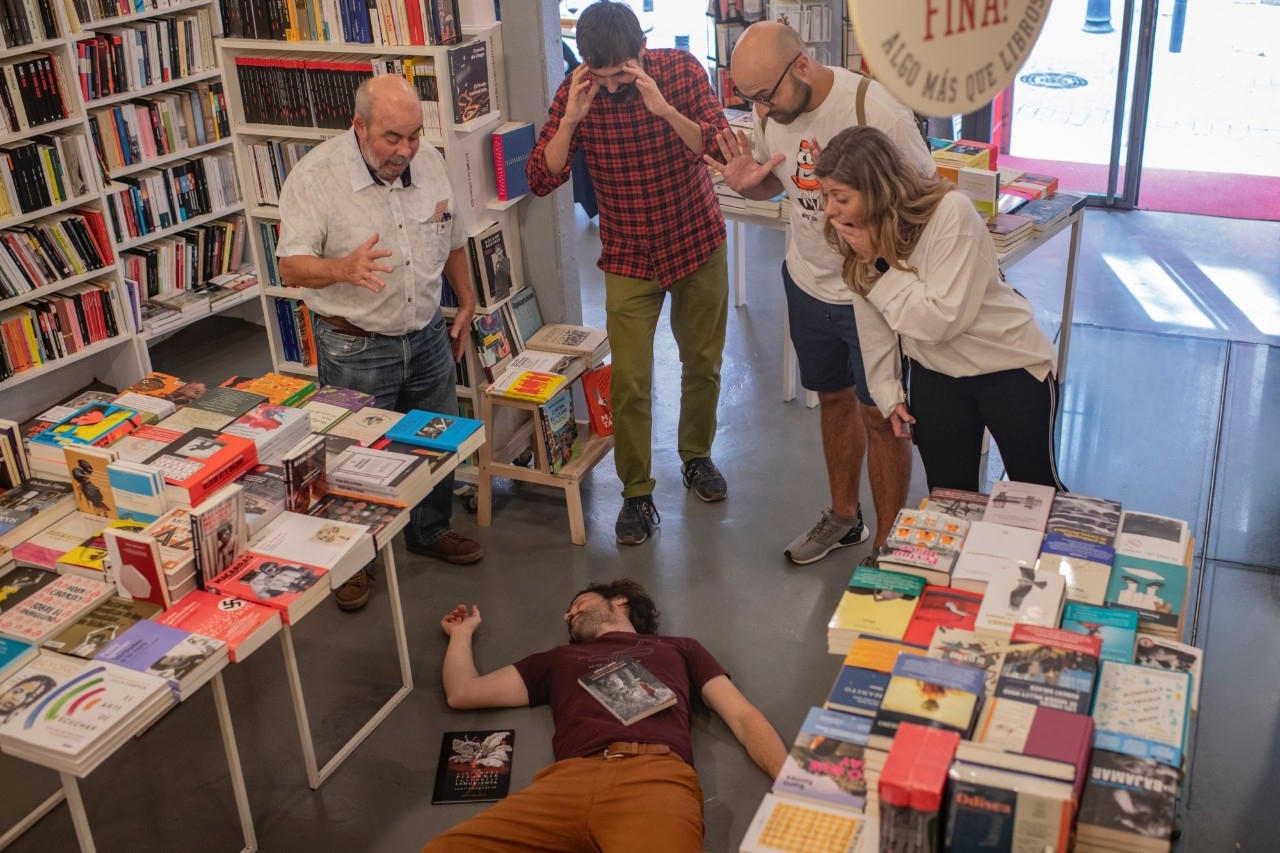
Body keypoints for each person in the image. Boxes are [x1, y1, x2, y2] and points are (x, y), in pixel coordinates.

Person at [711, 21, 935, 566]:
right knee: (831, 399)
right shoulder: (775, 114)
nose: (760, 111)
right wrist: (752, 184)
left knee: (882, 415)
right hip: (808, 281)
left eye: (765, 96)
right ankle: (844, 518)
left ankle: (887, 546)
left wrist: (876, 243)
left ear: (803, 66)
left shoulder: (875, 114)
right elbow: (779, 181)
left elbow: (929, 200)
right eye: (749, 100)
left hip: (872, 295)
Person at [527, 0, 732, 546]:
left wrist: (663, 108)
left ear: (642, 50)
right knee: (631, 380)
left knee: (703, 361)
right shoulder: (578, 91)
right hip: (628, 255)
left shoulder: (681, 71)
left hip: (695, 242)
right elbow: (542, 178)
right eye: (603, 74)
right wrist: (571, 118)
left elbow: (716, 148)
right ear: (587, 63)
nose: (614, 85)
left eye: (623, 72)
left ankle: (697, 457)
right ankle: (636, 492)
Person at [277, 74, 484, 611]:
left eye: (414, 135)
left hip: (427, 335)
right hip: (357, 346)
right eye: (393, 138)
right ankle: (353, 560)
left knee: (435, 443)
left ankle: (430, 530)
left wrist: (465, 300)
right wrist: (341, 268)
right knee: (352, 457)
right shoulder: (316, 177)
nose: (406, 150)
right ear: (359, 127)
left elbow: (452, 234)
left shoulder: (430, 160)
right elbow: (290, 265)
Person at [422, 578, 787, 851]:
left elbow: (742, 716)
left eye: (580, 603)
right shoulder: (558, 659)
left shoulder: (679, 647)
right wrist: (460, 635)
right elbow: (463, 692)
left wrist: (791, 781)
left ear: (620, 601)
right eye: (568, 615)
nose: (569, 614)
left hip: (653, 778)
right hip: (565, 781)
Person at [814, 126, 1067, 494]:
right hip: (936, 374)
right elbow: (871, 317)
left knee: (1037, 494)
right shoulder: (860, 226)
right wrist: (887, 390)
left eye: (840, 197)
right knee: (950, 501)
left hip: (1008, 366)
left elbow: (940, 321)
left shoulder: (951, 212)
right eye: (826, 195)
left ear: (876, 189)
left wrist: (879, 262)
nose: (830, 210)